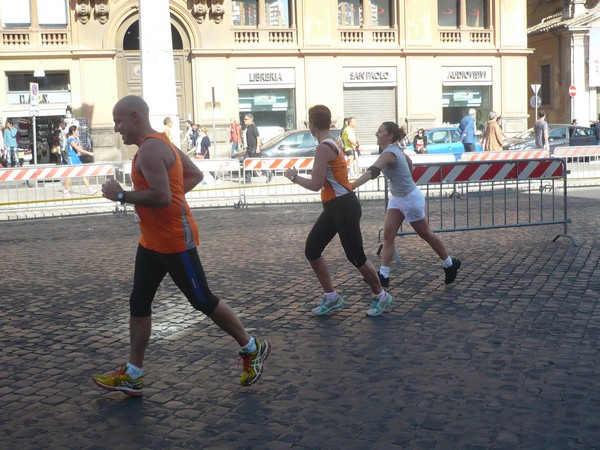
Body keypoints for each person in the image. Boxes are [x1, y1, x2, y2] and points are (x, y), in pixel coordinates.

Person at [94, 95, 270, 396]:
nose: (115, 128)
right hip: (151, 241)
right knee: (139, 301)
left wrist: (121, 196)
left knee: (202, 299)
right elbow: (194, 175)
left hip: (174, 240)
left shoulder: (150, 150)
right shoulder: (161, 143)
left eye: (118, 121)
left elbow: (162, 196)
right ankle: (133, 373)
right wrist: (169, 199)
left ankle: (252, 347)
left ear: (135, 116)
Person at [284, 105, 393, 318]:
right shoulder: (332, 142)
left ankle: (381, 296)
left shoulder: (324, 147)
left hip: (344, 206)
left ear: (311, 124)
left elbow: (316, 184)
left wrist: (293, 177)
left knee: (356, 255)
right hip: (335, 206)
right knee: (312, 250)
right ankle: (332, 298)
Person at [352, 121, 461, 288]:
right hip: (397, 197)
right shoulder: (392, 149)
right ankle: (384, 275)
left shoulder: (389, 152)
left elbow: (372, 172)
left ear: (389, 135)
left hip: (410, 198)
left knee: (425, 233)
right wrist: (405, 177)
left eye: (380, 131)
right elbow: (409, 162)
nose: (376, 133)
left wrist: (351, 186)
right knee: (388, 235)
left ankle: (449, 263)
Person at [63, 125, 97, 197]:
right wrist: (88, 153)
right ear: (73, 131)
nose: (78, 131)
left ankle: (90, 190)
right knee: (70, 175)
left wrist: (80, 147)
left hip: (77, 158)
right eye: (77, 130)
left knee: (82, 173)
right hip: (72, 158)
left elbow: (78, 148)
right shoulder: (71, 139)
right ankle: (66, 191)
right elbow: (77, 149)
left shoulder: (75, 138)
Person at [243, 114, 261, 179]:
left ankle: (268, 174)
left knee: (256, 163)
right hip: (249, 148)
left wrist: (257, 147)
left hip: (254, 148)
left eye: (246, 119)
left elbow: (258, 137)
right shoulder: (247, 128)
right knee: (246, 161)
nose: (244, 120)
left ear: (250, 120)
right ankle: (248, 178)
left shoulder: (253, 127)